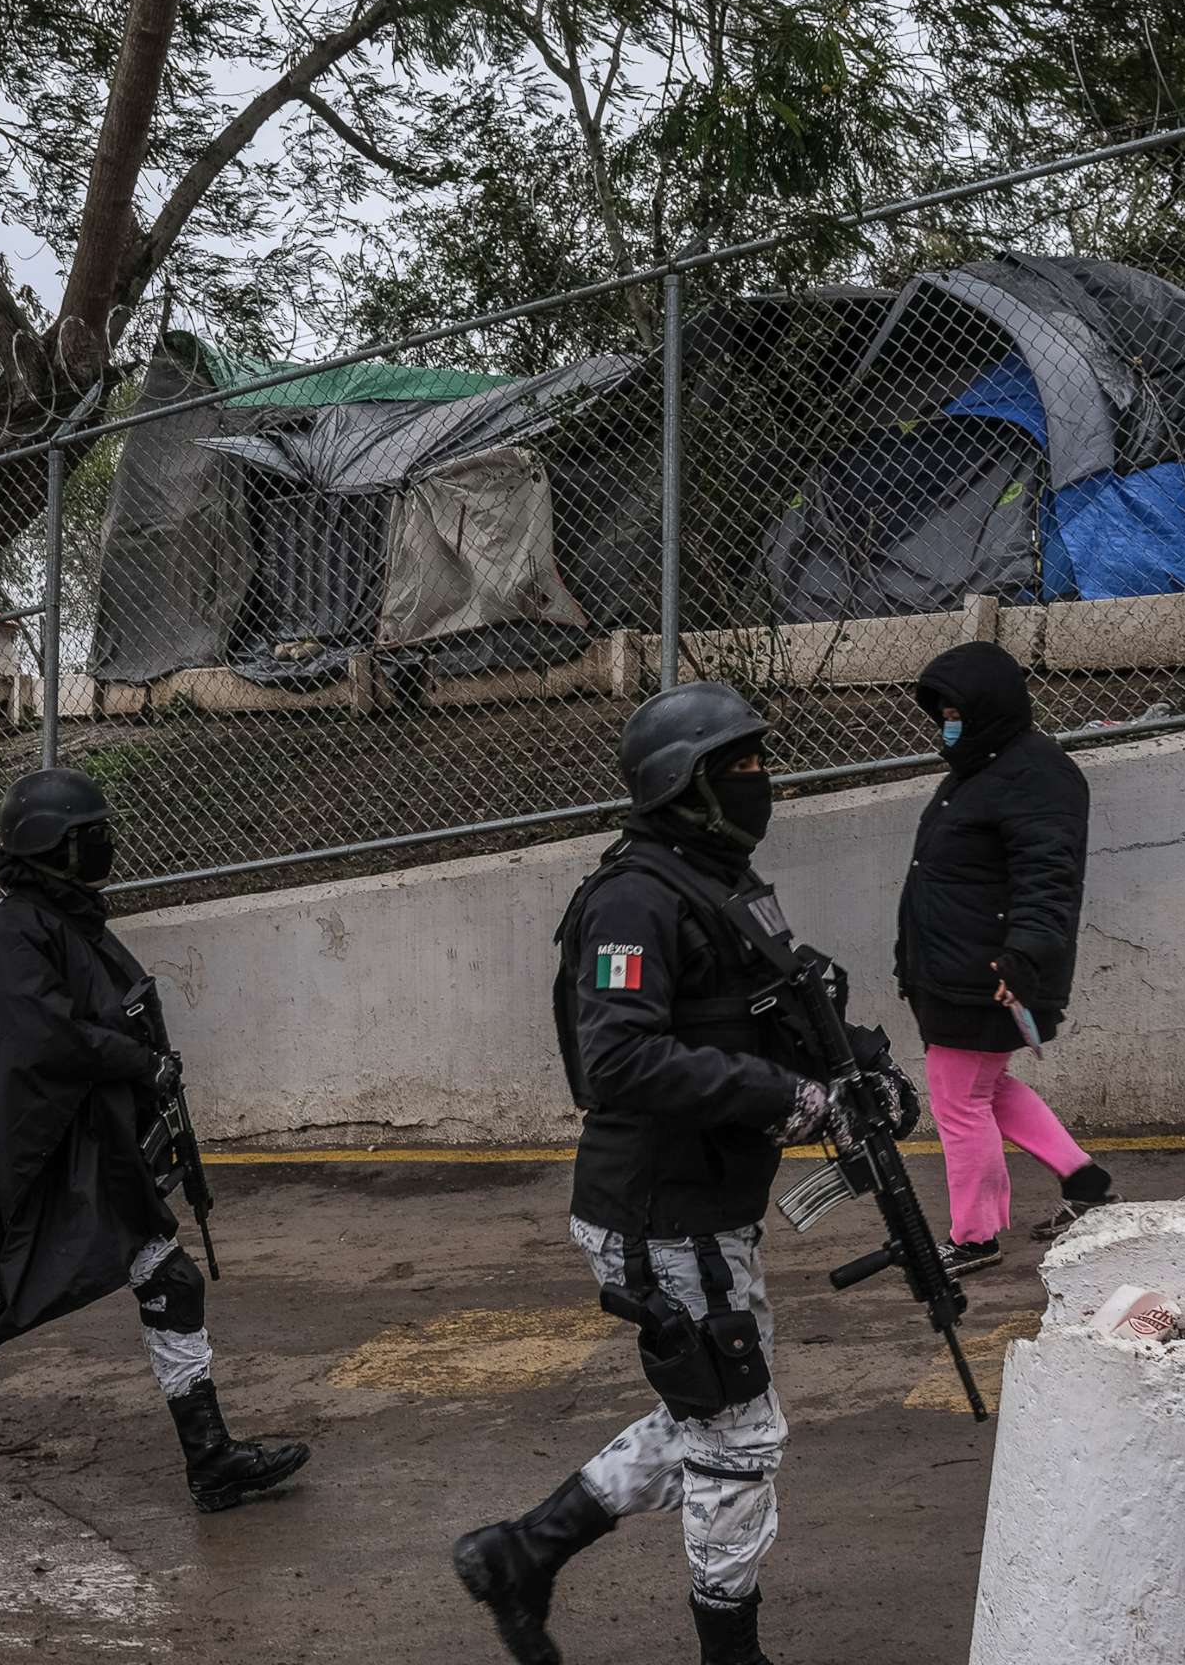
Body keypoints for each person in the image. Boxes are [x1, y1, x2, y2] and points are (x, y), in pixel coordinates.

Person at [454, 681, 884, 1665]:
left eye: (759, 762)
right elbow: (619, 1060)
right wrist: (791, 1099)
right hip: (661, 1209)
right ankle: (729, 1654)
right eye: (737, 768)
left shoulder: (720, 881)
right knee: (738, 1436)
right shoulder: (633, 900)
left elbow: (778, 1005)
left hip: (702, 1204)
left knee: (718, 1411)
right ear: (682, 786)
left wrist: (858, 1066)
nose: (760, 782)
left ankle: (523, 1554)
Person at [0, 767, 309, 1528]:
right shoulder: (8, 942)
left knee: (169, 1278)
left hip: (70, 1156)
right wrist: (140, 1063)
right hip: (5, 1166)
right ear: (54, 848)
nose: (106, 846)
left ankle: (210, 1461)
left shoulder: (59, 924)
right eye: (90, 835)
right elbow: (48, 1039)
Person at [895, 640, 1113, 1277]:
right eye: (940, 713)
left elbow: (1050, 877)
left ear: (987, 706)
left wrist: (1023, 956)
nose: (945, 724)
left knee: (960, 1102)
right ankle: (1085, 1182)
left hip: (988, 976)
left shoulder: (1032, 773)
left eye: (954, 711)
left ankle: (975, 1237)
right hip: (961, 971)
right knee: (984, 1089)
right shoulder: (983, 766)